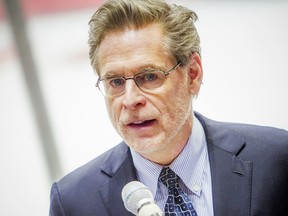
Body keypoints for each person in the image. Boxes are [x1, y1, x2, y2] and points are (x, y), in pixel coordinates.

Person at [49, 0, 288, 215]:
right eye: (116, 82)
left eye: (150, 76)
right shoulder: (73, 203)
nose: (130, 100)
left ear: (192, 75)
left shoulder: (276, 160)